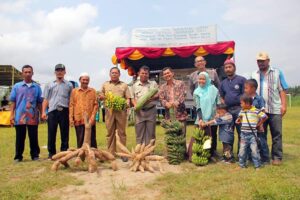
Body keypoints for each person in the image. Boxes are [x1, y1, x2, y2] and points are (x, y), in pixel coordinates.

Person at [251, 52, 288, 165]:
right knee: (261, 134)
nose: (260, 63)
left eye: (262, 60)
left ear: (268, 60)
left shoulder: (277, 72)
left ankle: (277, 157)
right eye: (258, 61)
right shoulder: (254, 74)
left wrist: (284, 105)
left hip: (274, 109)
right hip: (259, 111)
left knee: (276, 134)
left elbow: (282, 89)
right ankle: (264, 157)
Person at [9, 65, 43, 162]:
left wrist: (42, 113)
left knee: (33, 137)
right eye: (26, 72)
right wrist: (11, 115)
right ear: (22, 73)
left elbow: (39, 102)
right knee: (20, 137)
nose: (28, 74)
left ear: (32, 73)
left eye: (29, 72)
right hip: (20, 116)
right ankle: (18, 156)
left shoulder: (37, 87)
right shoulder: (17, 86)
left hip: (33, 116)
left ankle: (35, 155)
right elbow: (13, 101)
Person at [42, 64, 73, 159]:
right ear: (55, 72)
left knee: (65, 133)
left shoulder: (69, 85)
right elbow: (46, 99)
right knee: (51, 133)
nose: (59, 72)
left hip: (64, 111)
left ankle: (64, 153)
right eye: (58, 70)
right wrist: (43, 111)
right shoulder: (49, 84)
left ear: (65, 72)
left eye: (61, 70)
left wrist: (71, 114)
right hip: (52, 111)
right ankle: (51, 153)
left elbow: (71, 100)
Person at [99, 67, 131, 161]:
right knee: (110, 133)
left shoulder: (124, 85)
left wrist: (128, 102)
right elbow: (101, 95)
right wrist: (102, 97)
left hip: (121, 112)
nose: (114, 74)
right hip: (109, 112)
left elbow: (128, 97)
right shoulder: (105, 84)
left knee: (122, 133)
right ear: (110, 74)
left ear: (119, 74)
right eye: (112, 73)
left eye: (116, 73)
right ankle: (110, 153)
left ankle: (123, 154)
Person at [219, 59, 246, 155]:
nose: (228, 69)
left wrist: (243, 109)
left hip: (240, 110)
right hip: (228, 111)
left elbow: (245, 95)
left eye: (230, 67)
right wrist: (224, 109)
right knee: (227, 134)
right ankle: (228, 156)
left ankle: (241, 155)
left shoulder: (241, 80)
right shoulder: (223, 83)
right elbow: (221, 97)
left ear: (234, 68)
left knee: (241, 133)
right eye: (226, 67)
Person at [236, 94, 268, 169]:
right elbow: (239, 118)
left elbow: (265, 117)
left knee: (254, 151)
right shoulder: (242, 111)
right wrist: (238, 120)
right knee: (242, 151)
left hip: (252, 136)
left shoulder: (256, 111)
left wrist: (258, 124)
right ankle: (241, 165)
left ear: (247, 103)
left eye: (241, 103)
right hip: (243, 135)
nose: (240, 105)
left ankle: (257, 165)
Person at [193, 72, 219, 160]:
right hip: (201, 118)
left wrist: (218, 113)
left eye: (203, 79)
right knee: (201, 136)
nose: (201, 81)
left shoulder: (213, 89)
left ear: (207, 79)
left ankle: (211, 154)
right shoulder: (196, 91)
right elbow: (197, 106)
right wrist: (200, 119)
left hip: (212, 117)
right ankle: (201, 154)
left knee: (212, 136)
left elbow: (218, 103)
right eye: (199, 79)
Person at [69, 72, 98, 148]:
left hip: (90, 119)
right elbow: (71, 105)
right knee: (80, 138)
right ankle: (81, 155)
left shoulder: (93, 91)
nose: (85, 81)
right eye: (83, 79)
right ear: (80, 80)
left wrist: (93, 117)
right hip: (79, 118)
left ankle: (94, 154)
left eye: (87, 80)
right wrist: (71, 118)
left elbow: (96, 105)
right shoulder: (74, 91)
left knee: (92, 138)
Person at [131, 66, 158, 145]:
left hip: (151, 111)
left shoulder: (153, 84)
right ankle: (140, 151)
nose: (144, 75)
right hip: (140, 112)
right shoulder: (134, 85)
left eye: (146, 73)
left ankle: (150, 152)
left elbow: (158, 94)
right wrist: (136, 105)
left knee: (151, 133)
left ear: (148, 74)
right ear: (139, 73)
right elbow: (132, 98)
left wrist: (152, 98)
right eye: (142, 73)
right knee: (139, 132)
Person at [244, 79, 269, 164]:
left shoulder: (259, 99)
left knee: (261, 141)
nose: (245, 90)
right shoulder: (246, 99)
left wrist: (260, 124)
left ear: (253, 89)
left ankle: (265, 159)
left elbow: (263, 112)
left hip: (258, 125)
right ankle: (250, 158)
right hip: (250, 126)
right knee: (250, 142)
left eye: (246, 88)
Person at [159, 67, 188, 135]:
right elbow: (161, 99)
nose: (167, 75)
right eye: (165, 74)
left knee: (182, 137)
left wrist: (177, 102)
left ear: (172, 73)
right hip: (169, 117)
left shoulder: (180, 83)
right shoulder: (162, 87)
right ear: (163, 76)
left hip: (181, 115)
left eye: (168, 73)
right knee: (171, 138)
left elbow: (183, 94)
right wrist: (166, 103)